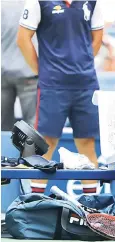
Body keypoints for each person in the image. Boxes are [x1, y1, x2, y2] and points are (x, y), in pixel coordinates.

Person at [17, 0, 104, 194]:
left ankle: (93, 207)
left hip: (86, 85)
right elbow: (23, 39)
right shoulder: (38, 2)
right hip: (52, 86)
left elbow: (98, 36)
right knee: (45, 144)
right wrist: (42, 71)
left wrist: (84, 63)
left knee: (87, 144)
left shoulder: (93, 2)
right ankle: (34, 205)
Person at [1, 1, 38, 131]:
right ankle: (31, 152)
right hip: (29, 72)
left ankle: (3, 151)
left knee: (2, 124)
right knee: (32, 124)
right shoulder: (37, 5)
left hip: (3, 72)